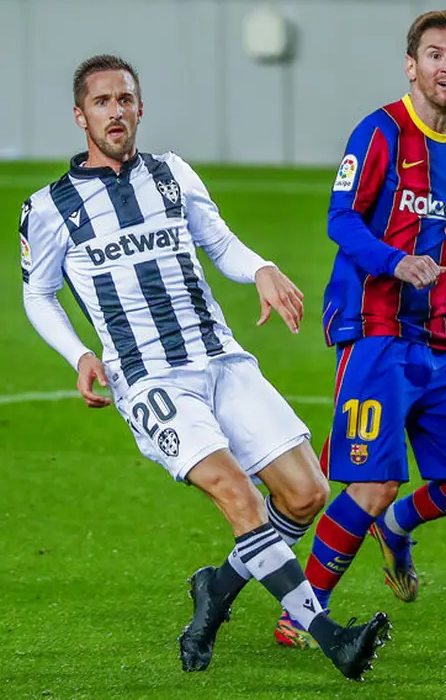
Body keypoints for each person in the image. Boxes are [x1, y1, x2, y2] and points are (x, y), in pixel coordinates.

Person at [19, 54, 390, 679]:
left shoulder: (172, 175)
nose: (117, 111)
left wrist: (262, 269)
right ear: (80, 116)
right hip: (150, 378)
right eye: (103, 102)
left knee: (306, 494)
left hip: (220, 357)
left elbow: (219, 243)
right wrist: (80, 354)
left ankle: (216, 590)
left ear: (141, 108)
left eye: (126, 99)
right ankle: (329, 636)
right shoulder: (50, 207)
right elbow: (38, 292)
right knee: (236, 491)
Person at [282, 10, 446, 648]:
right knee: (371, 481)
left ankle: (397, 526)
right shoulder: (379, 133)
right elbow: (340, 220)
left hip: (444, 334)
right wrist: (396, 261)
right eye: (434, 55)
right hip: (374, 329)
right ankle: (300, 611)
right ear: (411, 65)